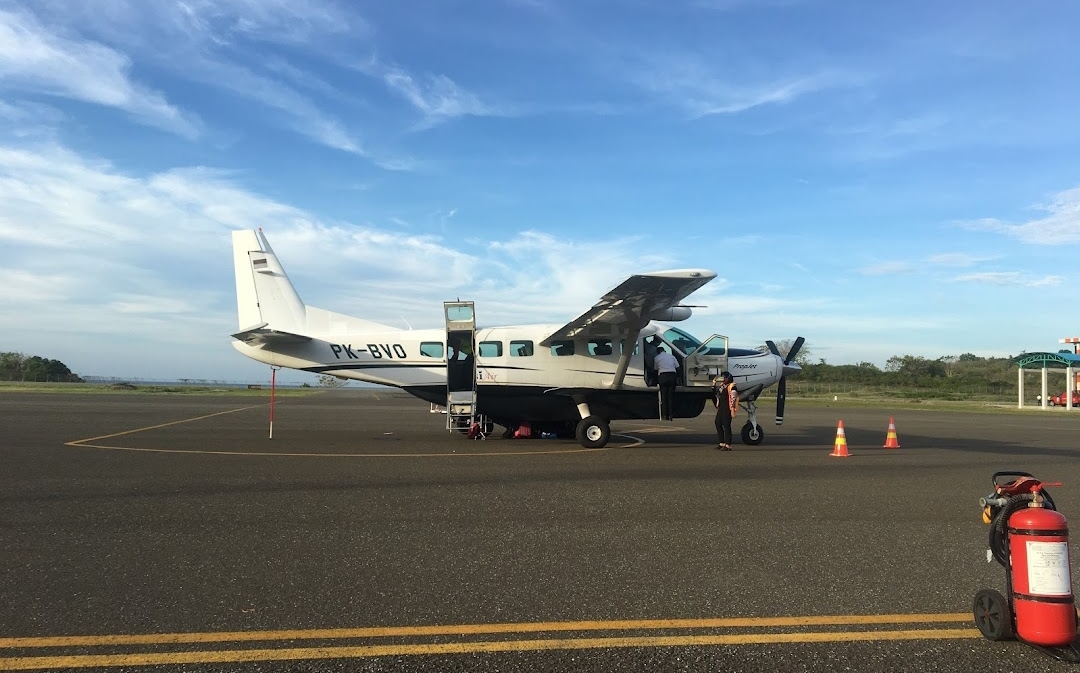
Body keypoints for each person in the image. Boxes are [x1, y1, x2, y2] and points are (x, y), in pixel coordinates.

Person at [712, 371, 739, 450]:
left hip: (728, 408)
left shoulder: (732, 386)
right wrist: (714, 382)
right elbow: (715, 392)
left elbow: (733, 398)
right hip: (721, 407)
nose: (723, 379)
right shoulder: (722, 386)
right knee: (718, 422)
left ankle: (728, 444)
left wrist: (733, 409)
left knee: (726, 425)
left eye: (725, 377)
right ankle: (721, 442)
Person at [653, 345, 679, 420]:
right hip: (672, 375)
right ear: (664, 350)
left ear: (658, 352)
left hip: (663, 376)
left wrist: (656, 380)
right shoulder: (671, 356)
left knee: (664, 397)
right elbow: (678, 367)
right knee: (670, 396)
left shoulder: (656, 358)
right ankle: (671, 415)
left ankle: (664, 415)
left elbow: (655, 369)